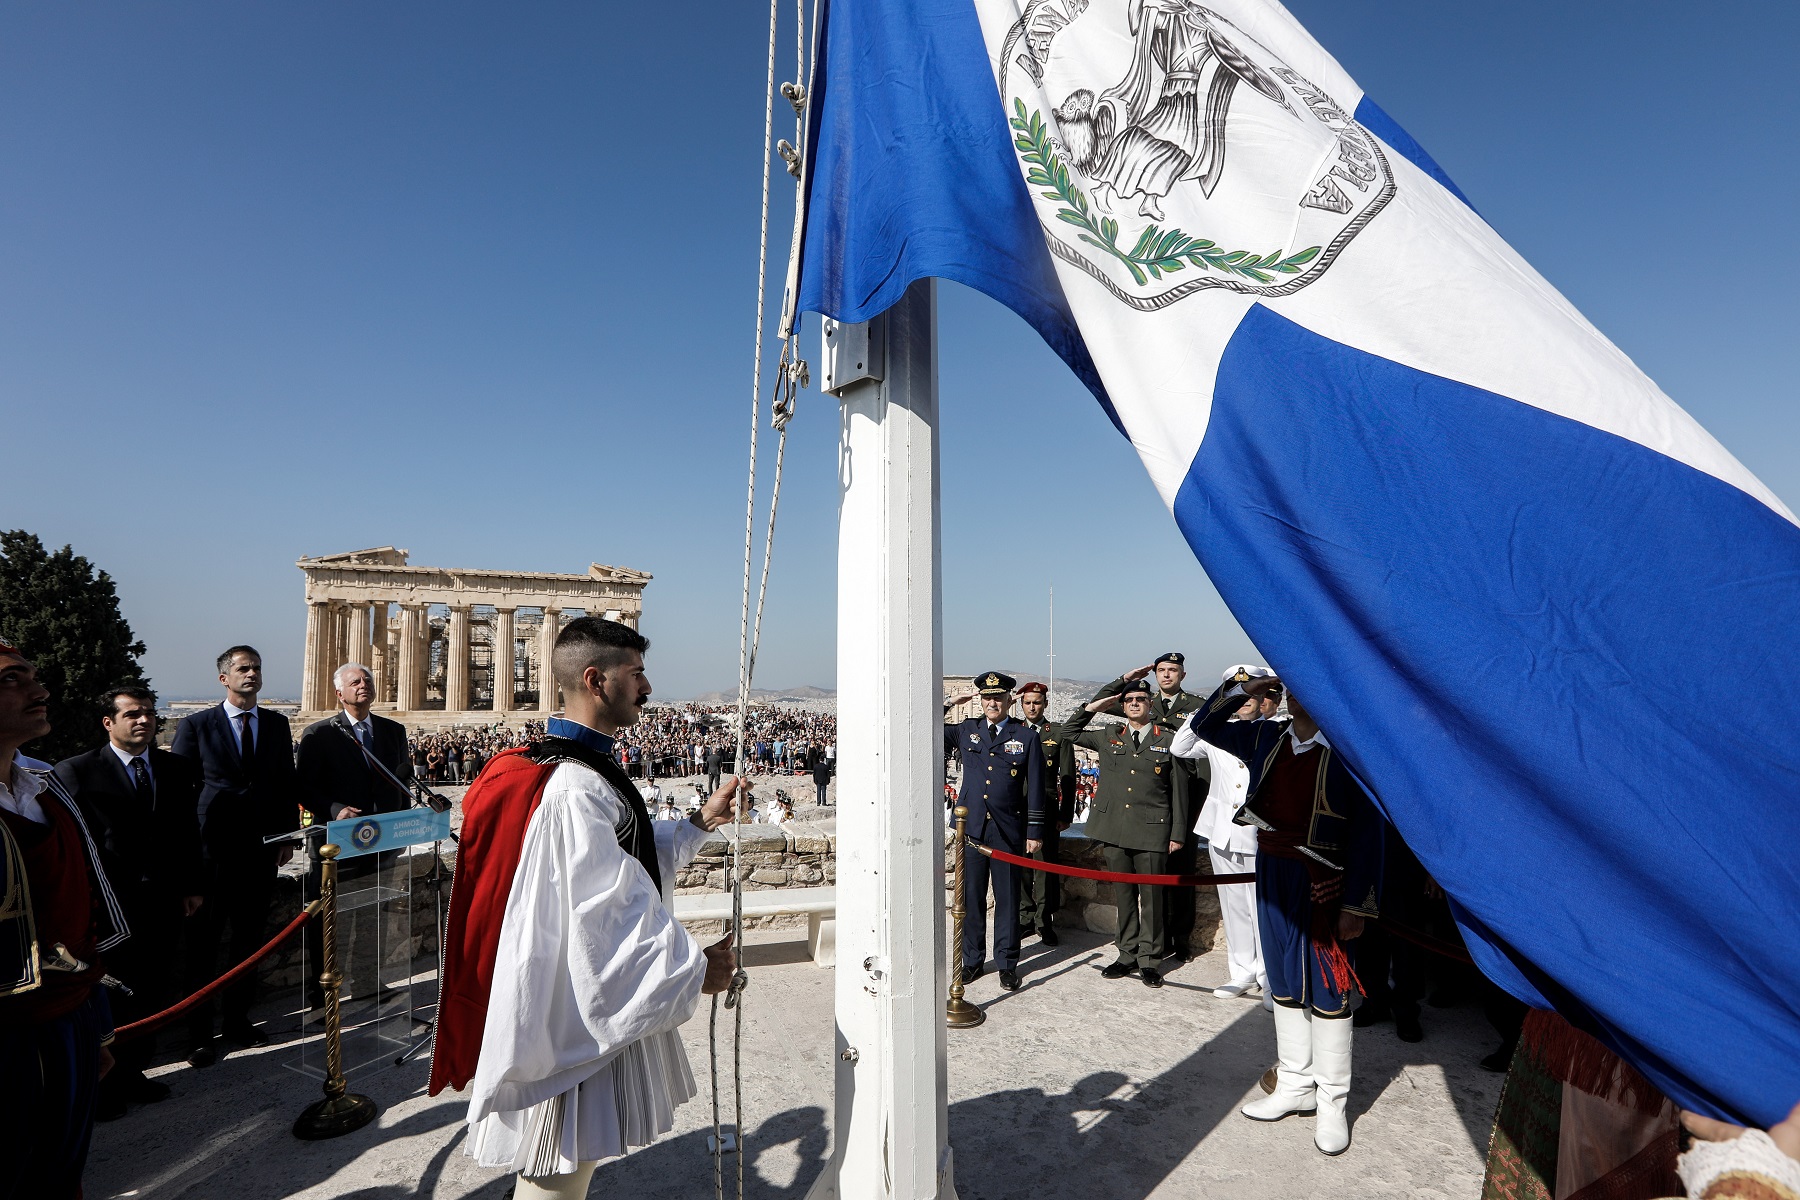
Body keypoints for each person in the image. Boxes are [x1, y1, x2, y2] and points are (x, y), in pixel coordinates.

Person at [433, 617, 744, 1198]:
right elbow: (601, 917)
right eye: (637, 674)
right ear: (597, 680)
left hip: (569, 1006)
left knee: (565, 1172)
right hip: (570, 1014)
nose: (648, 688)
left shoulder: (573, 768)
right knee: (555, 1175)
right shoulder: (573, 788)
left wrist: (700, 822)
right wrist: (696, 970)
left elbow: (628, 855)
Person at [1180, 671, 1383, 1155]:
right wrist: (1243, 688)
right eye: (1288, 685)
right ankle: (1294, 1084)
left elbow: (1370, 833)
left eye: (1301, 681)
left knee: (1330, 989)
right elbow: (1206, 728)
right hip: (1273, 870)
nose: (1292, 692)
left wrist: (1357, 904)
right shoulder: (1266, 734)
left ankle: (1333, 1102)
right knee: (1286, 980)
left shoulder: (1351, 749)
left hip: (1325, 881)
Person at [0, 640, 130, 1198]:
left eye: (34, 674)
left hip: (68, 1015)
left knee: (60, 1172)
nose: (41, 689)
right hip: (7, 1035)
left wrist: (96, 1025)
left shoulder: (42, 788)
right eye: (12, 679)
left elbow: (78, 914)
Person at [53, 685, 205, 1119]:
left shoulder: (174, 768)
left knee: (152, 988)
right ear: (109, 722)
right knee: (106, 994)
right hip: (107, 904)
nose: (144, 721)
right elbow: (72, 845)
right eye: (133, 714)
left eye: (150, 714)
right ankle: (100, 1085)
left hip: (162, 898)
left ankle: (136, 1071)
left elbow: (186, 832)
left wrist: (192, 885)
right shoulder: (77, 770)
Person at [170, 645, 299, 1065]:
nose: (252, 674)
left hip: (259, 852)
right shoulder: (196, 726)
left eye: (257, 668)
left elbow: (284, 784)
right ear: (224, 678)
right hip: (212, 852)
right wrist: (187, 861)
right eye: (243, 669)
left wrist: (286, 837)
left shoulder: (277, 725)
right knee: (204, 946)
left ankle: (238, 1021)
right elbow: (179, 798)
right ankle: (198, 1033)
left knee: (248, 943)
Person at [294, 663, 415, 1007]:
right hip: (336, 841)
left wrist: (406, 819)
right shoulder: (320, 734)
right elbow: (304, 785)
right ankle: (321, 991)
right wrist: (334, 808)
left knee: (374, 914)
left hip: (382, 839)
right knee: (330, 916)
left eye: (367, 680)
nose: (364, 685)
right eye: (355, 682)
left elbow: (400, 781)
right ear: (339, 693)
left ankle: (367, 981)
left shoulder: (393, 731)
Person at [1059, 676, 1188, 987]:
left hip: (1152, 831)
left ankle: (1150, 959)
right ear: (1122, 705)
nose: (1134, 704)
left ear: (1149, 704)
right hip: (1115, 829)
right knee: (1124, 896)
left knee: (1153, 898)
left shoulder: (1168, 741)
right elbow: (1068, 732)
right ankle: (1126, 953)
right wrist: (1093, 706)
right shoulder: (1108, 735)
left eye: (1140, 700)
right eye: (1129, 700)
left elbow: (1179, 792)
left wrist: (1178, 833)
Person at [1170, 665, 1271, 1006]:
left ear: (1263, 697)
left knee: (1264, 908)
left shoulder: (1273, 733)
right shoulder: (1217, 734)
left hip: (1260, 835)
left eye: (1250, 694)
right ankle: (1242, 971)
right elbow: (1180, 747)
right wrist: (1221, 697)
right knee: (1234, 907)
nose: (1245, 702)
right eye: (1238, 694)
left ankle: (1271, 978)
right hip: (1222, 834)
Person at [943, 671, 1046, 992]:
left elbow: (1037, 788)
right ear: (980, 699)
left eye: (998, 698)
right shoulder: (967, 730)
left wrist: (1034, 830)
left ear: (1008, 700)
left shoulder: (1025, 737)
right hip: (971, 830)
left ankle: (1006, 962)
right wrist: (948, 703)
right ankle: (973, 960)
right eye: (987, 698)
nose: (992, 703)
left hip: (1007, 831)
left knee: (1008, 899)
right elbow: (923, 727)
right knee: (971, 899)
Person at [1014, 681, 1074, 946]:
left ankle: (1044, 920)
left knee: (1045, 867)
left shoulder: (1057, 733)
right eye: (1027, 703)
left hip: (1047, 811)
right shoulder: (1013, 731)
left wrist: (1066, 814)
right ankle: (1024, 918)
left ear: (1045, 704)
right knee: (1021, 867)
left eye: (1036, 702)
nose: (1032, 707)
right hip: (1016, 809)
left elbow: (1068, 777)